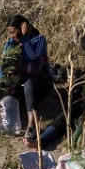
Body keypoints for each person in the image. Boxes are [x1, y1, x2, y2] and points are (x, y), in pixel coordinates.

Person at [5, 16, 51, 146]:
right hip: (19, 83)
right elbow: (4, 64)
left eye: (13, 32)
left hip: (39, 83)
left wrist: (25, 39)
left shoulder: (39, 40)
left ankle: (32, 125)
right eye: (10, 32)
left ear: (23, 28)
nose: (11, 36)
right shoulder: (11, 43)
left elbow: (31, 57)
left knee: (30, 82)